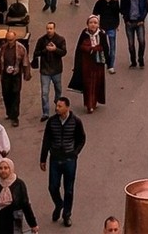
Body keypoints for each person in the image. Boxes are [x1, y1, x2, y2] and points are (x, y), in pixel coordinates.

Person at [40, 96, 86, 228]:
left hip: (69, 160)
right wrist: (43, 159)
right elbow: (46, 140)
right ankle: (59, 204)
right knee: (53, 187)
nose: (57, 108)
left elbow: (81, 139)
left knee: (69, 190)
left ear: (67, 107)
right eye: (57, 106)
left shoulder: (76, 121)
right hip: (55, 159)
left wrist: (75, 153)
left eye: (60, 106)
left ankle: (67, 214)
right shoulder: (52, 122)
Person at [0, 159, 38, 234]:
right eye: (1, 168)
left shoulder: (19, 185)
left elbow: (26, 206)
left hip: (14, 223)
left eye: (6, 168)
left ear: (11, 169)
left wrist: (33, 224)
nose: (3, 171)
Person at [69, 15, 110, 113]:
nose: (93, 25)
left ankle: (94, 102)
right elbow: (78, 49)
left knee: (96, 83)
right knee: (88, 83)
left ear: (98, 25)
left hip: (98, 63)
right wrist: (77, 64)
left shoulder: (102, 34)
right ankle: (89, 104)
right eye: (91, 22)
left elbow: (106, 48)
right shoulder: (84, 34)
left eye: (95, 23)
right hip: (86, 62)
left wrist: (109, 63)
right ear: (87, 24)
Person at [33, 21, 69, 120]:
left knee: (58, 89)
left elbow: (64, 52)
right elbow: (36, 53)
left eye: (51, 28)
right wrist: (45, 50)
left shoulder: (60, 39)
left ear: (54, 29)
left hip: (56, 70)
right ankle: (45, 113)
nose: (49, 30)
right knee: (44, 93)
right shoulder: (41, 40)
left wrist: (55, 49)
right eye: (47, 28)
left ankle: (57, 103)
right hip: (45, 71)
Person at [0, 28, 31, 127]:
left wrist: (26, 74)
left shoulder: (20, 48)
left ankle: (15, 117)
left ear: (15, 38)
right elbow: (0, 61)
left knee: (15, 94)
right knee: (6, 94)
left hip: (16, 75)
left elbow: (25, 61)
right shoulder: (3, 48)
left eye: (11, 40)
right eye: (8, 40)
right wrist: (2, 71)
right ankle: (9, 112)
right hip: (5, 75)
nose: (9, 42)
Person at [121, 0, 148, 67]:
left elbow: (146, 7)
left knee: (142, 41)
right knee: (131, 44)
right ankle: (133, 61)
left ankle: (140, 58)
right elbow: (122, 8)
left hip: (139, 22)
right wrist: (126, 19)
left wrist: (142, 19)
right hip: (129, 22)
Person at [92, 0, 122, 72]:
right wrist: (96, 25)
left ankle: (111, 65)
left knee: (112, 47)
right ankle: (101, 61)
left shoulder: (115, 3)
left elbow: (117, 15)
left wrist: (117, 25)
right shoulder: (100, 3)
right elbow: (95, 14)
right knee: (102, 46)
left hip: (112, 27)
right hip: (102, 27)